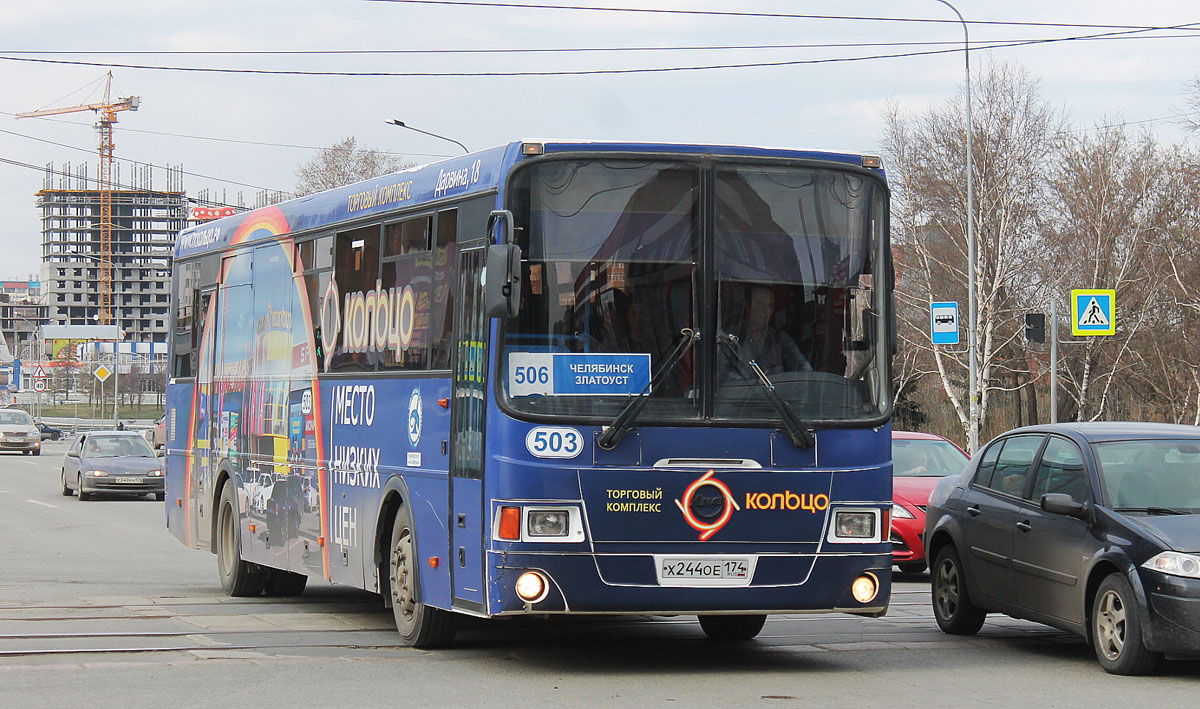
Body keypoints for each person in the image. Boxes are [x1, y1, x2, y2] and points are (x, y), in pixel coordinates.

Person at [733, 285, 811, 376]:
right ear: (747, 307)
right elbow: (722, 375)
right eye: (760, 305)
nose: (765, 311)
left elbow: (804, 368)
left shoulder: (781, 340)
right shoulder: (731, 338)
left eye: (770, 306)